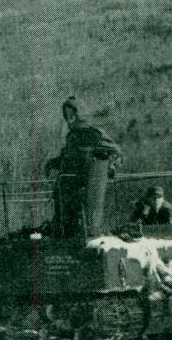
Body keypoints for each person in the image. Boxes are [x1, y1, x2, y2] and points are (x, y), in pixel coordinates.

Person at [44, 96, 122, 236]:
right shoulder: (71, 137)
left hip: (87, 190)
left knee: (85, 227)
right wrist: (52, 164)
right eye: (66, 115)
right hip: (67, 190)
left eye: (72, 113)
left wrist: (109, 166)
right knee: (64, 227)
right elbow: (67, 159)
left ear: (79, 114)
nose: (69, 118)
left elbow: (115, 152)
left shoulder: (93, 133)